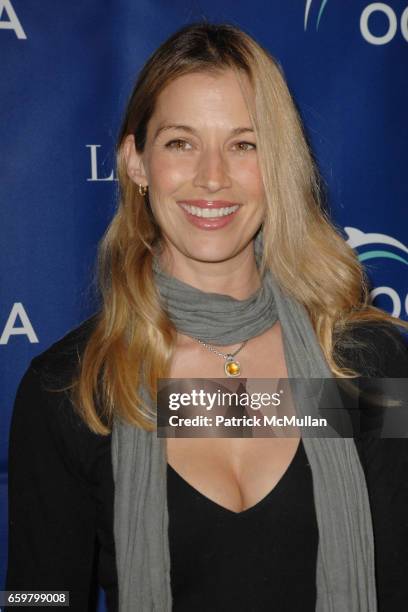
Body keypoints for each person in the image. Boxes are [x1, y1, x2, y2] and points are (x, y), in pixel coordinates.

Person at [6, 22, 408, 612]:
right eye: (180, 143)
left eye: (245, 144)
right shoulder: (77, 388)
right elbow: (35, 597)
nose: (212, 177)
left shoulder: (359, 365)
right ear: (136, 162)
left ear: (279, 165)